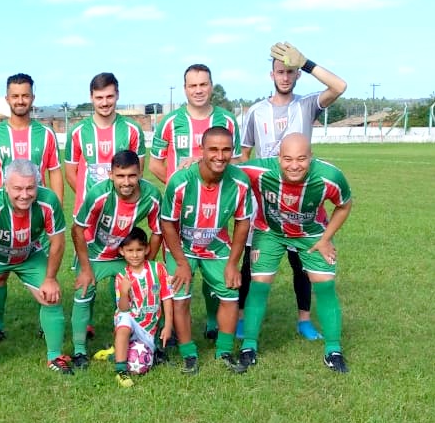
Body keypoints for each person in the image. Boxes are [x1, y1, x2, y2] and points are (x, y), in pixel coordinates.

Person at [238, 42, 348, 341]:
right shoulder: (255, 112)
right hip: (266, 199)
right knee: (251, 261)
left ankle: (304, 319)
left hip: (303, 198)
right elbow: (244, 157)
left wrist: (308, 63)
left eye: (290, 72)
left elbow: (339, 86)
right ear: (270, 74)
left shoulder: (307, 104)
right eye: (280, 72)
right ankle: (244, 317)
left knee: (302, 263)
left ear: (297, 75)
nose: (284, 77)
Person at [236, 133, 353, 373]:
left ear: (311, 157)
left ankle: (333, 350)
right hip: (270, 231)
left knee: (325, 286)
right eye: (287, 158)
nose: (294, 165)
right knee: (259, 284)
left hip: (311, 234)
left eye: (301, 158)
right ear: (278, 158)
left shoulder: (329, 176)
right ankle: (248, 347)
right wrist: (196, 159)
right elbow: (226, 166)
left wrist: (326, 238)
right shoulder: (260, 171)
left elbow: (344, 205)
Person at [149, 63, 242, 340]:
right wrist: (182, 186)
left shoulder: (226, 120)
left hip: (215, 209)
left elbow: (236, 162)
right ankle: (175, 328)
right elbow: (155, 164)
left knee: (212, 260)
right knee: (178, 267)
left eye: (204, 84)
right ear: (185, 89)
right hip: (181, 212)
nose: (198, 90)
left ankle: (213, 321)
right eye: (193, 85)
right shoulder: (170, 121)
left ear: (211, 86)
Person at [0, 159, 68, 379]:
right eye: (17, 188)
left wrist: (50, 278)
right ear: (5, 186)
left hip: (28, 254)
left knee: (52, 296)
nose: (24, 194)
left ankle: (55, 356)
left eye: (30, 188)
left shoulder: (48, 201)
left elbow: (57, 242)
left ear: (38, 184)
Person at [0, 73, 65, 345]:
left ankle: (45, 325)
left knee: (44, 272)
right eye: (15, 96)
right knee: (0, 274)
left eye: (25, 95)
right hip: (5, 219)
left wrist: (54, 214)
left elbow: (55, 175)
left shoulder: (45, 134)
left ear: (33, 98)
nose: (20, 100)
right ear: (7, 99)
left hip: (37, 219)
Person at [160, 127, 252, 375]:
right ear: (201, 151)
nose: (220, 156)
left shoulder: (240, 182)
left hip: (217, 245)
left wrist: (233, 263)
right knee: (181, 297)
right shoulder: (181, 181)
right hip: (183, 246)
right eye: (213, 149)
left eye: (226, 150)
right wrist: (180, 262)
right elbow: (167, 222)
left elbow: (243, 222)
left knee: (230, 292)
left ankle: (224, 350)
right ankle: (188, 353)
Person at [70, 150, 162, 368]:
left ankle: (142, 343)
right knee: (84, 291)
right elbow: (77, 230)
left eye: (131, 175)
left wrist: (146, 263)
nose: (126, 182)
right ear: (111, 175)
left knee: (141, 290)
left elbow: (158, 232)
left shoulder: (152, 196)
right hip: (94, 252)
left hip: (122, 254)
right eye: (120, 176)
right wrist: (85, 269)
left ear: (139, 172)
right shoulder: (98, 194)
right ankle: (80, 350)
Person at [65, 72, 146, 215]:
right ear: (91, 97)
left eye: (109, 96)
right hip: (87, 211)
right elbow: (71, 173)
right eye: (99, 98)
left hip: (120, 212)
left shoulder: (132, 130)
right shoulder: (77, 131)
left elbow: (138, 172)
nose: (104, 103)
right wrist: (91, 198)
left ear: (117, 95)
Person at [110, 228, 173, 387]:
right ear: (122, 251)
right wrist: (124, 292)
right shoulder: (121, 276)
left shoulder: (158, 269)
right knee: (124, 322)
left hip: (149, 327)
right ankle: (121, 371)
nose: (135, 254)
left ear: (147, 249)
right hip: (130, 318)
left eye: (139, 250)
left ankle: (117, 351)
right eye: (130, 250)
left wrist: (168, 324)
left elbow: (166, 297)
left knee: (143, 364)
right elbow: (123, 308)